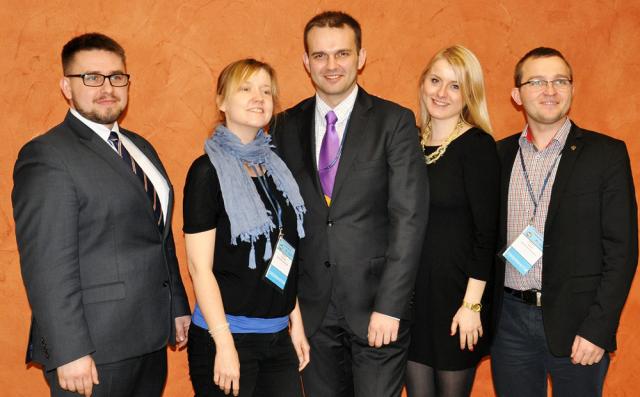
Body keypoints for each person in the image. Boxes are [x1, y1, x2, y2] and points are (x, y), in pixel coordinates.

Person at [12, 33, 191, 397]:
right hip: (94, 350)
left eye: (117, 77)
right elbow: (47, 266)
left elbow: (160, 236)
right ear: (66, 86)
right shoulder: (47, 155)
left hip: (149, 339)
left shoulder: (140, 147)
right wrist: (70, 350)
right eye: (91, 77)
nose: (107, 87)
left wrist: (176, 306)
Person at [272, 11, 429, 397]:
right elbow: (280, 222)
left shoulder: (394, 121)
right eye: (320, 55)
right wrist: (287, 307)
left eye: (342, 53)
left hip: (377, 308)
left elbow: (409, 218)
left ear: (360, 58)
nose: (331, 65)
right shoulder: (283, 125)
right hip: (311, 313)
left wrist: (391, 306)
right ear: (306, 62)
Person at [491, 47, 638, 397]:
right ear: (517, 94)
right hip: (507, 323)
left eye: (560, 81)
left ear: (572, 89)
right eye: (537, 81)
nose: (550, 90)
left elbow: (623, 249)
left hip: (579, 324)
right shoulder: (496, 155)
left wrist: (599, 329)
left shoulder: (606, 154)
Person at [183, 58, 309, 397]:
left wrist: (294, 322)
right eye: (246, 88)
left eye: (266, 90)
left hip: (278, 337)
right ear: (221, 101)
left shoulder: (275, 169)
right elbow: (199, 268)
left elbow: (286, 249)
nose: (259, 97)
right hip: (227, 337)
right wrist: (223, 344)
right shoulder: (206, 173)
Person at [405, 45, 499, 397]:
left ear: (469, 94)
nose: (441, 93)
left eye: (455, 85)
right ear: (423, 83)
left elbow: (486, 235)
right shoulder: (408, 142)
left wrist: (472, 305)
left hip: (457, 302)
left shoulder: (477, 146)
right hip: (412, 300)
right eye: (435, 80)